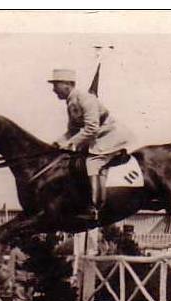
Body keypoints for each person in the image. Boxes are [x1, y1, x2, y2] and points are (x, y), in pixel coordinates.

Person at [48, 68, 135, 221]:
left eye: (56, 84)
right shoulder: (71, 102)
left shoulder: (85, 98)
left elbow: (92, 127)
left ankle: (95, 208)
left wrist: (70, 143)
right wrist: (57, 143)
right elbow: (73, 130)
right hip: (97, 137)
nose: (54, 89)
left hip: (110, 135)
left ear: (67, 84)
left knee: (92, 162)